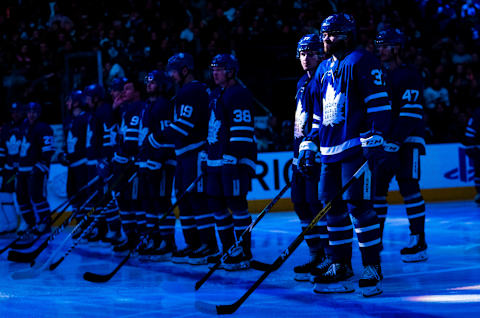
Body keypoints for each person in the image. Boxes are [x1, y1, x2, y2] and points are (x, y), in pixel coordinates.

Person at [298, 13, 391, 297]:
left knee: (359, 207)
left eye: (333, 34)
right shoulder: (324, 67)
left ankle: (371, 266)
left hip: (354, 148)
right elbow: (316, 114)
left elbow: (379, 104)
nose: (326, 39)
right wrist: (309, 144)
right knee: (331, 208)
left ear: (348, 34)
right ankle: (340, 265)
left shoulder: (363, 61)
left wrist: (376, 137)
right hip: (328, 152)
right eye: (324, 34)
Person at [148, 52, 218, 264]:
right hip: (184, 154)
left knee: (196, 199)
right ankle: (193, 243)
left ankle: (208, 245)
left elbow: (184, 126)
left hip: (194, 153)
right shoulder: (186, 92)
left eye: (174, 70)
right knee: (184, 199)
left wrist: (156, 138)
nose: (170, 74)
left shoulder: (191, 91)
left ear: (185, 69)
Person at [374, 28, 428, 262]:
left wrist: (395, 141)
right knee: (376, 193)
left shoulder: (409, 75)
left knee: (409, 188)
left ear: (398, 48)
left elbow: (411, 113)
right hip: (385, 143)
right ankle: (375, 240)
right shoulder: (379, 75)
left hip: (408, 142)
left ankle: (418, 240)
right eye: (379, 45)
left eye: (386, 45)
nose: (381, 49)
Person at [206, 54, 257, 270]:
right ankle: (229, 249)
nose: (215, 73)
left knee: (237, 205)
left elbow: (243, 131)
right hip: (215, 161)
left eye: (220, 69)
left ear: (231, 71)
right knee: (216, 205)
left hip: (233, 162)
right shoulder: (216, 94)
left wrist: (233, 156)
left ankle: (243, 252)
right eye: (213, 69)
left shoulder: (239, 94)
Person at [290, 35, 331, 281]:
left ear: (321, 54)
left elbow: (324, 117)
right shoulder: (301, 82)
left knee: (316, 204)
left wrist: (312, 146)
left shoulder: (323, 78)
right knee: (300, 203)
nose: (307, 57)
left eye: (312, 52)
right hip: (300, 154)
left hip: (316, 154)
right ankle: (316, 254)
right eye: (303, 53)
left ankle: (328, 256)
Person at [137, 70, 177, 261]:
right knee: (150, 202)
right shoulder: (149, 106)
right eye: (147, 82)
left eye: (152, 82)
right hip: (147, 163)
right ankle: (155, 239)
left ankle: (168, 242)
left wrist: (158, 160)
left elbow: (167, 137)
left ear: (161, 85)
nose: (148, 85)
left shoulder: (163, 106)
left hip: (160, 164)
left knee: (161, 201)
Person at [111, 80, 146, 253]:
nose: (123, 92)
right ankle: (130, 237)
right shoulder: (125, 110)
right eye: (122, 89)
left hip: (132, 164)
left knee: (135, 201)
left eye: (128, 88)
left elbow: (131, 142)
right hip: (123, 163)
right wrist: (115, 110)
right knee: (123, 201)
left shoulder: (139, 108)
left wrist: (123, 155)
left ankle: (138, 238)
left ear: (137, 91)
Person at [14, 102, 55, 247]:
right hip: (22, 169)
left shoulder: (43, 128)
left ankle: (45, 223)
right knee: (21, 198)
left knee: (37, 197)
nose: (31, 114)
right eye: (29, 111)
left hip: (36, 168)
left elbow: (48, 149)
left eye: (34, 112)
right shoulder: (23, 126)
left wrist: (41, 165)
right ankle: (30, 224)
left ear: (39, 113)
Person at [60, 90, 90, 236]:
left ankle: (89, 225)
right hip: (72, 165)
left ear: (77, 102)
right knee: (72, 194)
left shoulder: (86, 119)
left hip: (83, 165)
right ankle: (81, 223)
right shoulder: (68, 120)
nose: (67, 103)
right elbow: (67, 142)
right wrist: (64, 153)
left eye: (69, 100)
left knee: (85, 195)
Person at [0, 102, 26, 234]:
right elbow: (2, 148)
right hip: (9, 169)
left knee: (22, 195)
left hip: (23, 169)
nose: (15, 114)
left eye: (18, 111)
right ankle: (11, 223)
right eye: (13, 112)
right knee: (5, 195)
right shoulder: (6, 128)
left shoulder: (27, 126)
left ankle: (26, 222)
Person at [463, 106, 480, 204]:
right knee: (478, 170)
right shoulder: (478, 114)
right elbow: (470, 133)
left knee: (478, 170)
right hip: (474, 146)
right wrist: (473, 146)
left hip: (473, 146)